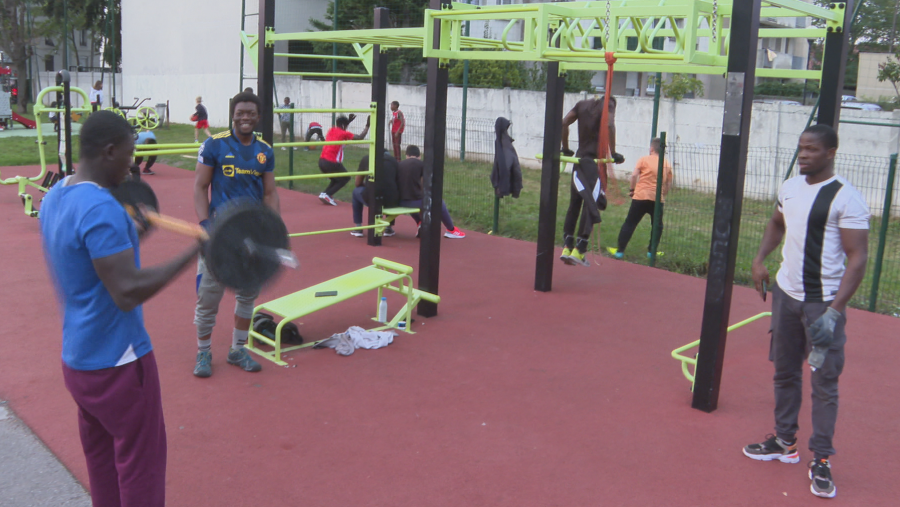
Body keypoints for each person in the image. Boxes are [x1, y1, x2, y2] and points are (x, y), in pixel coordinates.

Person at [39, 111, 202, 507]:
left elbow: (89, 262)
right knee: (139, 468)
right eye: (130, 154)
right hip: (120, 364)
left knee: (103, 466)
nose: (134, 164)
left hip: (79, 362)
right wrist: (195, 251)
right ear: (109, 152)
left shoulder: (56, 196)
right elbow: (126, 290)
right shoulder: (102, 210)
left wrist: (134, 234)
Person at [744, 125, 869, 499]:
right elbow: (777, 223)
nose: (803, 155)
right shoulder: (790, 187)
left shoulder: (847, 198)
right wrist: (760, 259)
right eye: (800, 148)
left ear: (831, 152)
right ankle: (784, 442)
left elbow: (858, 256)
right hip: (785, 296)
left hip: (822, 304)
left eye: (811, 149)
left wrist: (835, 310)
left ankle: (822, 459)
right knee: (784, 373)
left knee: (824, 383)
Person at [192, 91, 280, 377]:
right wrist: (205, 223)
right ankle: (203, 352)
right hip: (219, 237)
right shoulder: (214, 145)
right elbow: (199, 187)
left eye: (250, 113)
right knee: (208, 299)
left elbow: (270, 193)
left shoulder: (265, 150)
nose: (245, 117)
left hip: (250, 238)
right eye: (240, 112)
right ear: (233, 114)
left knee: (247, 297)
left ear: (257, 117)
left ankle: (237, 350)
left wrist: (272, 229)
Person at [559, 94, 625, 266]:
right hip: (594, 165)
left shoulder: (582, 105)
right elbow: (609, 124)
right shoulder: (608, 104)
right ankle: (580, 249)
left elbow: (564, 122)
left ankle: (567, 245)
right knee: (591, 203)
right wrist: (614, 152)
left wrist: (565, 148)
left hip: (579, 162)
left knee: (574, 204)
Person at [608, 138, 673, 259]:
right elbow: (669, 183)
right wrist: (663, 194)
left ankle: (620, 251)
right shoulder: (666, 163)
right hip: (657, 199)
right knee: (657, 225)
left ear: (651, 149)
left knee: (630, 223)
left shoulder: (643, 159)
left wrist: (632, 190)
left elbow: (633, 175)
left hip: (640, 196)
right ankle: (651, 252)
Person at [396, 144, 465, 239]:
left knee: (411, 196)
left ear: (406, 155)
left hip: (400, 202)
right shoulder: (422, 164)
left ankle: (419, 222)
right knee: (438, 202)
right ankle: (451, 230)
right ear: (419, 156)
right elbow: (427, 184)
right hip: (415, 201)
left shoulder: (399, 165)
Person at [317, 114, 370, 206]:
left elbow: (340, 130)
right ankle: (328, 194)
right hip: (331, 162)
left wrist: (347, 122)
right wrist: (367, 126)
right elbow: (360, 137)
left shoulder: (332, 130)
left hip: (322, 161)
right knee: (345, 178)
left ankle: (325, 194)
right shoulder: (344, 133)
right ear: (344, 125)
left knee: (336, 179)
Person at [350, 151, 399, 237]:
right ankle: (388, 227)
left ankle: (358, 227)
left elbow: (357, 183)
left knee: (355, 191)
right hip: (391, 200)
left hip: (372, 198)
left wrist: (367, 185)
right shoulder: (394, 161)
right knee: (390, 190)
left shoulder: (367, 158)